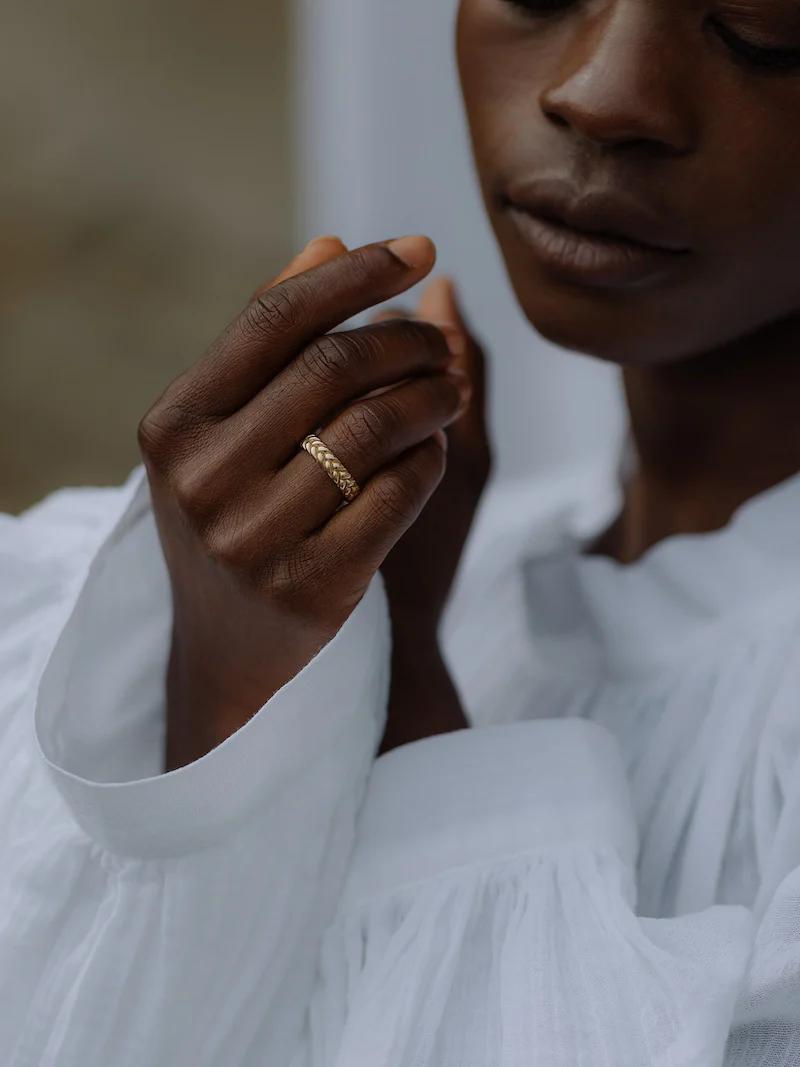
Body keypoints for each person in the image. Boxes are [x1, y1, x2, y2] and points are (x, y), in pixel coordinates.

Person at [3, 0, 800, 1063]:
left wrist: (394, 691)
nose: (599, 94)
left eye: (758, 29)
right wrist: (237, 677)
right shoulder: (408, 558)